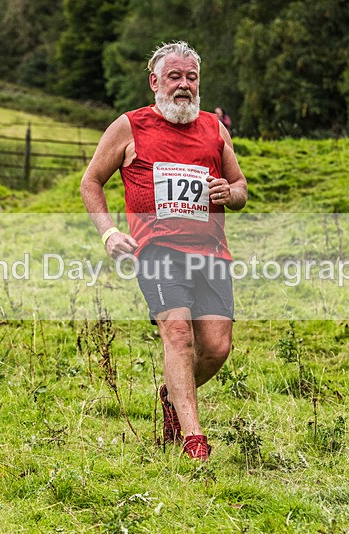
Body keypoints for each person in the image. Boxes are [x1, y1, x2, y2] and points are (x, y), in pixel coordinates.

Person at [80, 41, 247, 461]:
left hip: (210, 253)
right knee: (177, 334)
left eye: (191, 77)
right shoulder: (129, 126)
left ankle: (172, 397)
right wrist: (109, 233)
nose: (184, 85)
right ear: (155, 82)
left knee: (216, 348)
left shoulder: (214, 128)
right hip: (156, 251)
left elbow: (242, 189)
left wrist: (230, 192)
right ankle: (194, 441)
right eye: (175, 77)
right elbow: (91, 182)